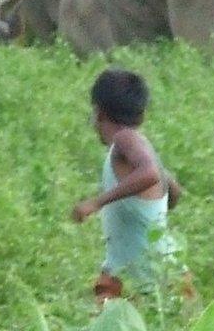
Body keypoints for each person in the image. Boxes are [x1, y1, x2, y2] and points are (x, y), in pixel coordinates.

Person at [72, 69, 184, 303]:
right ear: (141, 115)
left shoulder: (125, 139)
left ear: (98, 112)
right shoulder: (140, 146)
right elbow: (172, 188)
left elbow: (151, 174)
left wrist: (96, 202)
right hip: (140, 271)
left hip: (147, 277)